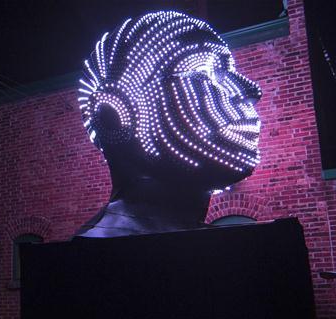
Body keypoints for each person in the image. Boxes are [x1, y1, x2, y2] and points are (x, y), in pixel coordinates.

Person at [74, 11, 261, 237]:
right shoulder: (101, 250)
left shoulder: (220, 247)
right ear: (115, 113)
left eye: (230, 71)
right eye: (204, 73)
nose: (250, 91)